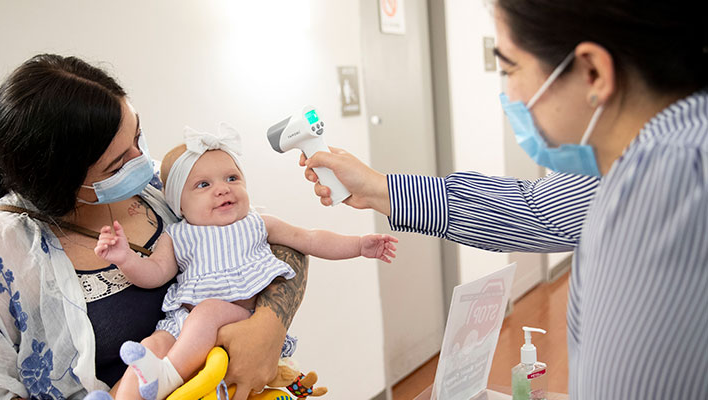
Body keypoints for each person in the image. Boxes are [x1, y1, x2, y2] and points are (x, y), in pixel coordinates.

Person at [302, 0, 708, 398]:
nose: (509, 92)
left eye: (510, 68)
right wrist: (379, 188)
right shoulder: (637, 162)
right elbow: (535, 210)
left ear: (592, 72)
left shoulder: (668, 182)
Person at [0, 54, 309, 400]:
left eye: (137, 139)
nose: (140, 162)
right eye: (116, 165)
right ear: (59, 180)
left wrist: (269, 325)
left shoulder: (159, 186)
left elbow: (273, 241)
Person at [91, 126, 398, 400]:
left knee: (208, 311)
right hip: (183, 323)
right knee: (151, 346)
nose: (223, 188)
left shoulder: (257, 223)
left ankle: (167, 376)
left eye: (231, 178)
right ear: (178, 204)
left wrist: (358, 245)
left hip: (238, 317)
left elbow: (311, 239)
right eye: (203, 185)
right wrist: (125, 259)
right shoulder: (177, 235)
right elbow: (154, 273)